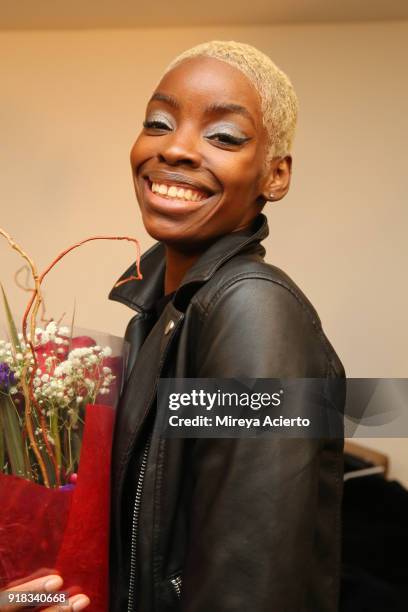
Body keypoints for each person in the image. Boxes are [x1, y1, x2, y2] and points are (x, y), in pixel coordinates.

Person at [2, 40, 345, 611]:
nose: (178, 148)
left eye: (225, 136)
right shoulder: (159, 319)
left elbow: (250, 588)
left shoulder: (252, 311)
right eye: (159, 123)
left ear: (276, 175)